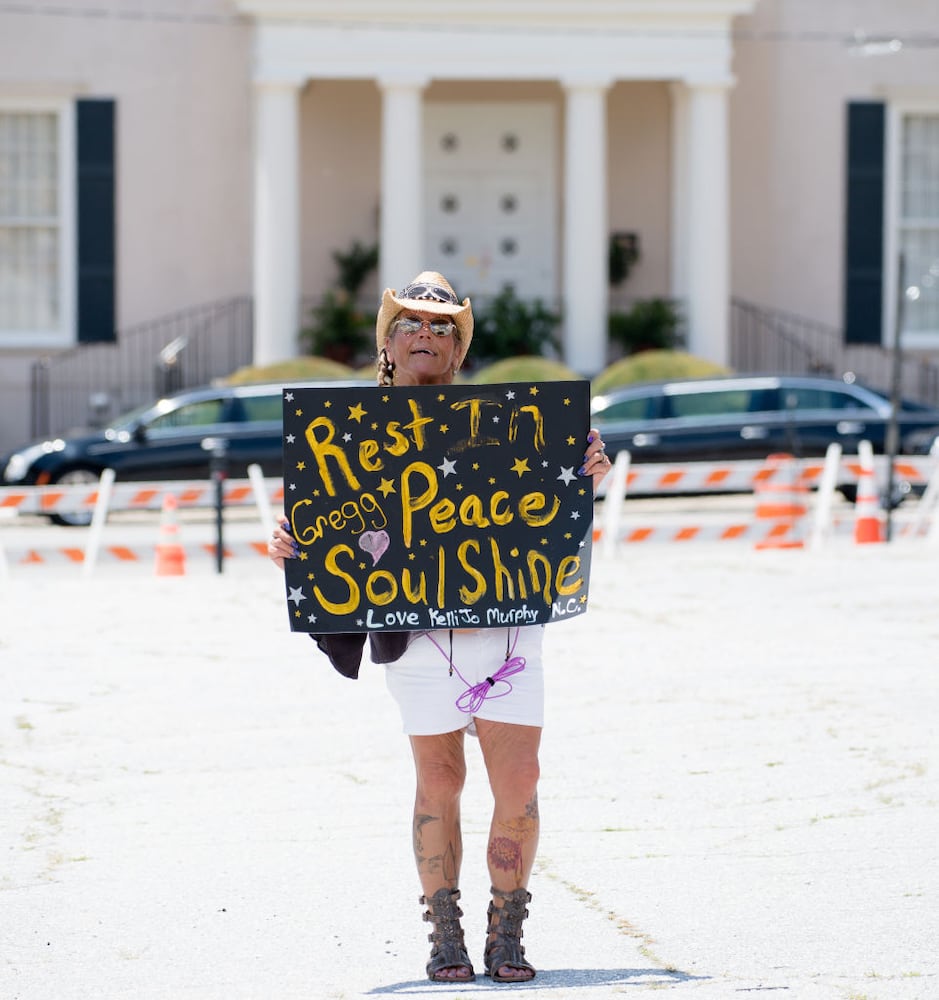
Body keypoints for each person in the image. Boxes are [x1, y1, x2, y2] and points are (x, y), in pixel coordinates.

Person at [269, 271, 611, 984]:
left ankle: (507, 929)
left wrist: (582, 477)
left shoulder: (518, 422)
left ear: (459, 350)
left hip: (506, 631)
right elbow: (330, 530)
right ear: (387, 344)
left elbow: (552, 524)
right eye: (411, 324)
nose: (426, 334)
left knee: (520, 778)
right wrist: (294, 545)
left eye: (443, 326)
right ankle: (445, 931)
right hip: (418, 638)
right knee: (440, 780)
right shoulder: (350, 435)